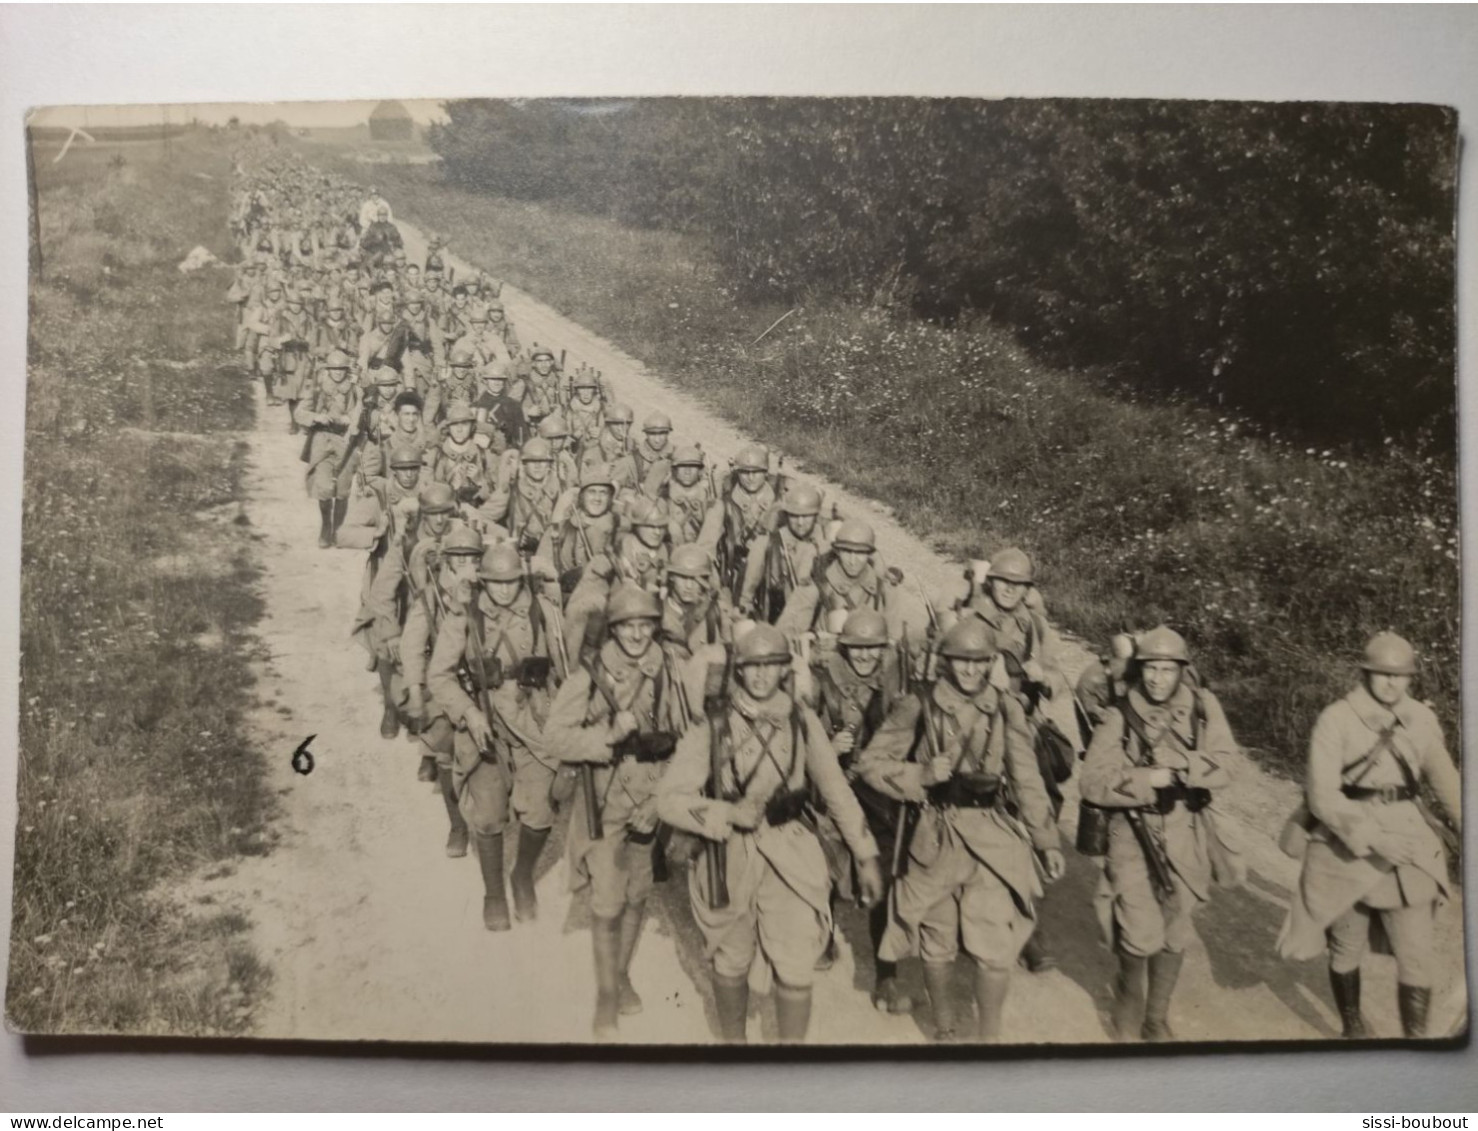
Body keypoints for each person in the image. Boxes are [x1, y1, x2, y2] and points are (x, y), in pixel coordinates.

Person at [658, 623, 884, 1044]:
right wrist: (724, 812)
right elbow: (668, 799)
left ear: (785, 670)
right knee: (731, 958)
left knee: (797, 963)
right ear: (738, 671)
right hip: (728, 854)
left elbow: (836, 791)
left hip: (791, 850)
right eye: (751, 667)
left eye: (772, 665)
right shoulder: (714, 724)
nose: (761, 676)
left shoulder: (803, 721)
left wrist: (866, 853)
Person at [856, 617, 1064, 1042]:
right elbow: (871, 765)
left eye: (979, 662)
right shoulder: (918, 705)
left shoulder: (1006, 708)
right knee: (937, 937)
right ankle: (946, 1028)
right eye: (960, 662)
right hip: (934, 834)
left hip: (991, 836)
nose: (970, 671)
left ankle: (989, 1039)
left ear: (991, 663)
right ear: (945, 662)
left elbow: (1026, 778)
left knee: (995, 946)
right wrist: (921, 775)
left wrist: (1045, 839)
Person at [1276, 632, 1461, 1039]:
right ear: (1365, 673)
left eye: (1401, 676)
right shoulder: (1336, 718)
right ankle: (1353, 1027)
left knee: (1417, 955)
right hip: (1346, 845)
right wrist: (1375, 839)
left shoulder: (1421, 719)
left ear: (1411, 678)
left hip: (1408, 844)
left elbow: (1447, 781)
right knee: (1345, 946)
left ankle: (1417, 1045)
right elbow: (1322, 795)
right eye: (1382, 674)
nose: (1392, 683)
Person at [545, 584, 701, 1038]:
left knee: (637, 893)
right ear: (614, 629)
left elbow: (692, 740)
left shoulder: (671, 670)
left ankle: (621, 973)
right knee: (609, 900)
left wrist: (658, 802)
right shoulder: (590, 675)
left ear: (655, 627)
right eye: (627, 626)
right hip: (606, 797)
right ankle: (607, 995)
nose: (636, 635)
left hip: (652, 795)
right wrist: (606, 738)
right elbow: (555, 737)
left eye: (645, 626)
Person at [1079, 626, 1239, 1042]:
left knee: (1176, 931)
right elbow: (1093, 782)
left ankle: (1156, 1016)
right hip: (1132, 836)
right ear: (1140, 669)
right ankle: (1128, 1015)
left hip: (1186, 832)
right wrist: (1151, 777)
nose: (1157, 679)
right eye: (1150, 669)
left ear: (1182, 671)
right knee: (1139, 934)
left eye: (1167, 670)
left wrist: (1188, 768)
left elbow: (1228, 765)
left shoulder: (1204, 708)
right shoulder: (1119, 714)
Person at [427, 542, 567, 930]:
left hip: (533, 720)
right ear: (482, 581)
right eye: (495, 583)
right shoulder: (465, 617)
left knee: (540, 811)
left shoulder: (544, 612)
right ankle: (493, 892)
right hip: (484, 722)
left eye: (511, 583)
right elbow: (438, 675)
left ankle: (522, 875)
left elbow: (567, 668)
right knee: (488, 816)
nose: (504, 591)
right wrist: (469, 712)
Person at [803, 608, 912, 1014]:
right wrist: (828, 750)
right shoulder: (821, 684)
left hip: (880, 794)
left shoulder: (896, 685)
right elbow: (797, 741)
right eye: (857, 649)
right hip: (834, 791)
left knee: (883, 880)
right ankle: (825, 937)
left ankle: (886, 975)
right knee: (828, 869)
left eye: (873, 649)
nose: (865, 657)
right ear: (844, 647)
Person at [401, 522, 484, 855]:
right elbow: (412, 646)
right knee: (446, 745)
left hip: (484, 683)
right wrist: (416, 693)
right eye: (459, 559)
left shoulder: (490, 588)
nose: (467, 566)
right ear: (447, 561)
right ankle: (458, 826)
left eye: (473, 559)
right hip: (444, 682)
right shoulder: (432, 595)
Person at [292, 347, 362, 547]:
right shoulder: (318, 389)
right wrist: (316, 417)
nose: (338, 372)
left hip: (345, 441)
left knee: (342, 490)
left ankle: (337, 530)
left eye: (341, 369)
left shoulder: (354, 391)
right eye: (334, 368)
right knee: (323, 488)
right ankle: (325, 527)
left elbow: (360, 414)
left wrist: (351, 420)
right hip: (322, 440)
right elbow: (299, 413)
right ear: (328, 369)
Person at [740, 484, 827, 625]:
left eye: (806, 516)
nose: (800, 523)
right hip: (774, 623)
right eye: (794, 516)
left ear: (816, 516)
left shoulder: (823, 546)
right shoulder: (766, 544)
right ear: (786, 515)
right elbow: (746, 593)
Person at [358, 203, 402, 268]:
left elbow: (399, 242)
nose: (382, 217)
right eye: (380, 215)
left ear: (387, 216)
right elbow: (363, 242)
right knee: (364, 264)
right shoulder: (373, 227)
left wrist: (392, 242)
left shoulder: (392, 227)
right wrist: (374, 240)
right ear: (378, 216)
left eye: (384, 215)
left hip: (387, 253)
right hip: (373, 252)